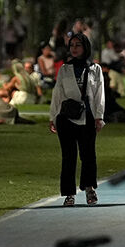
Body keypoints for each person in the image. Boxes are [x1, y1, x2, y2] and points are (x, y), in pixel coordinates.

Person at [48, 32, 105, 206]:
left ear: (85, 47)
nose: (74, 48)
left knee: (88, 155)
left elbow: (99, 94)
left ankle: (89, 188)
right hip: (66, 118)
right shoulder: (65, 69)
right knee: (68, 156)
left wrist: (99, 116)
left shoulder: (95, 69)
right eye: (71, 45)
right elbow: (57, 93)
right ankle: (68, 194)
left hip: (87, 118)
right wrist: (53, 117)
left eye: (77, 45)